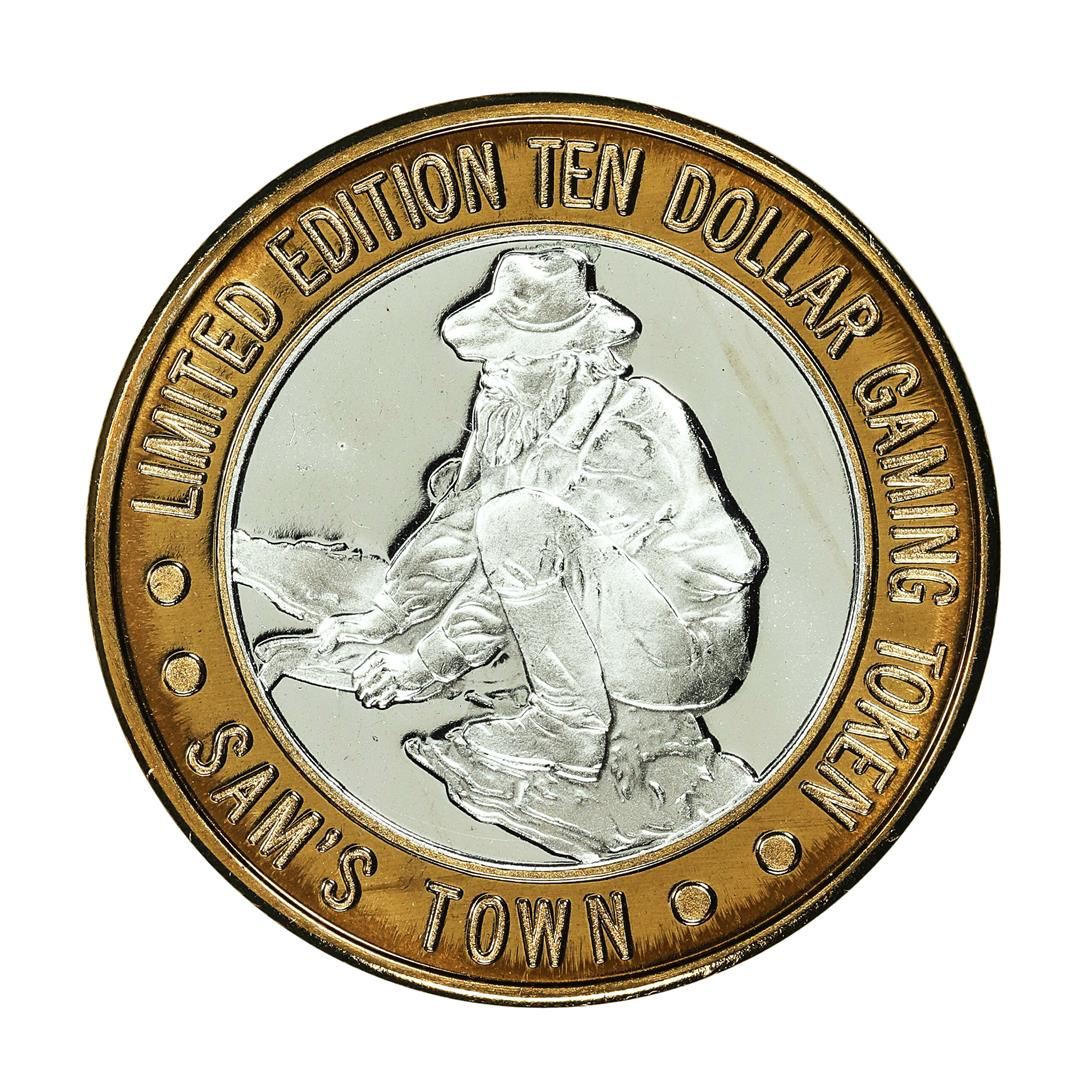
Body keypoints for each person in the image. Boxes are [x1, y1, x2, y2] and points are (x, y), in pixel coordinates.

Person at [312, 246, 766, 783]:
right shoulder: (522, 410)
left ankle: (568, 728)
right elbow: (461, 518)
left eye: (515, 358)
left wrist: (425, 664)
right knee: (504, 514)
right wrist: (387, 616)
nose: (493, 373)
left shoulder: (630, 425)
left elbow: (521, 544)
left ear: (571, 360)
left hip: (687, 652)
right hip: (617, 624)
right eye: (491, 356)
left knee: (516, 521)